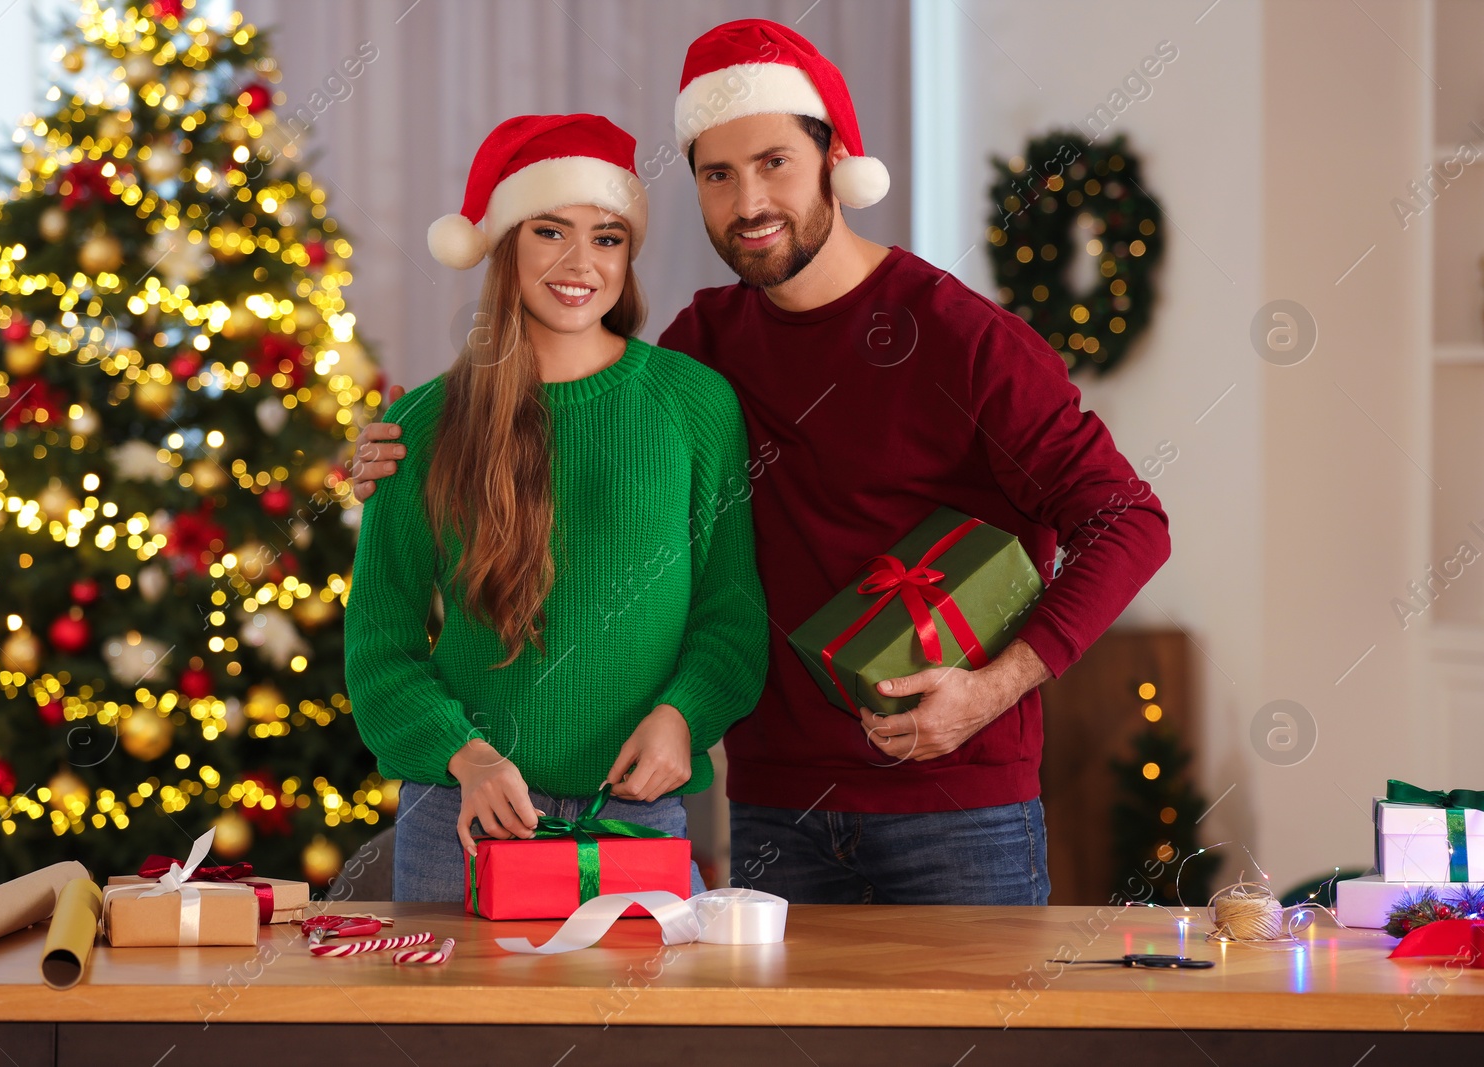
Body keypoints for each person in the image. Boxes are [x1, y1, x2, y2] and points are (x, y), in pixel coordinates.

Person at [354, 22, 1171, 906]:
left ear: (834, 160)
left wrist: (993, 689)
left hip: (953, 803)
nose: (749, 201)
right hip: (777, 808)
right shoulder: (705, 347)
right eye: (718, 173)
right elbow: (575, 432)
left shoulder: (963, 340)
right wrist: (401, 445)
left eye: (775, 162)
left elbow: (1128, 520)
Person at [343, 114, 768, 903]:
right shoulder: (420, 426)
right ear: (505, 246)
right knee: (454, 1032)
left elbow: (731, 617)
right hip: (459, 821)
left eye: (607, 237)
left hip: (636, 816)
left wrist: (682, 717)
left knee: (635, 1031)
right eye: (550, 232)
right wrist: (465, 755)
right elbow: (380, 645)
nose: (582, 263)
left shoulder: (694, 404)